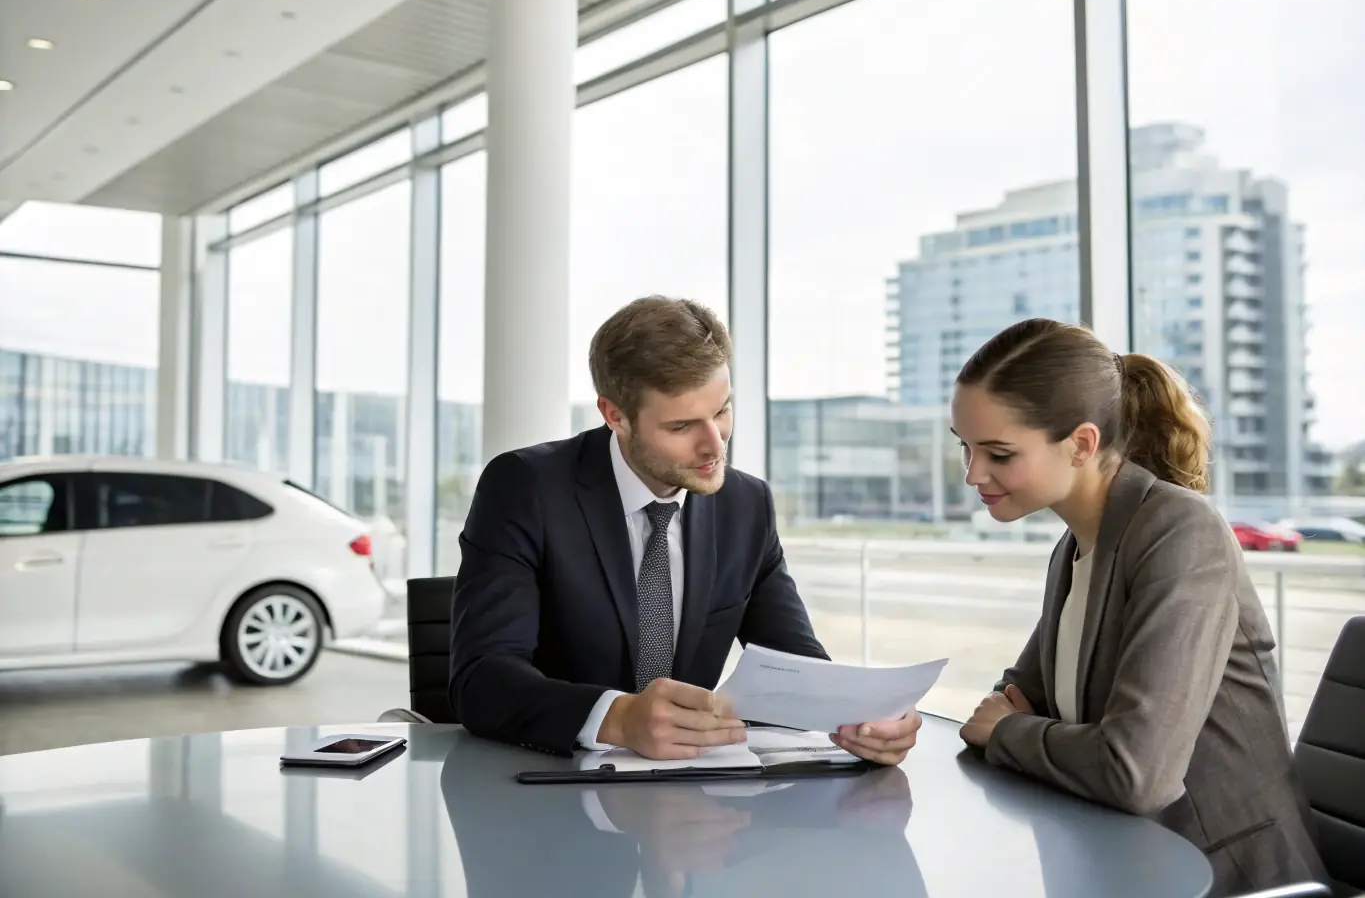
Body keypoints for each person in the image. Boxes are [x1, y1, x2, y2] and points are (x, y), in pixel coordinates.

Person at [448, 296, 921, 763]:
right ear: (615, 416)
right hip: (543, 794)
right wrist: (617, 718)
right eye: (681, 426)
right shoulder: (527, 487)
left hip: (691, 802)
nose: (714, 445)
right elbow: (482, 678)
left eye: (722, 412)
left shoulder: (745, 504)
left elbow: (797, 670)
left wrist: (863, 718)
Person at [952, 318, 1326, 897]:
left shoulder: (1180, 532)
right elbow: (1006, 704)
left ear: (1081, 444)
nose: (974, 474)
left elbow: (1136, 773)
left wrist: (1015, 733)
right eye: (966, 448)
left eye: (998, 453)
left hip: (1221, 875)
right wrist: (1021, 728)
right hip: (1119, 859)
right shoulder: (1077, 546)